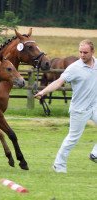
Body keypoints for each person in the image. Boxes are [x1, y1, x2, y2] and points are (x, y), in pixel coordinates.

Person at [35, 39, 97, 173]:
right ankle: (59, 165)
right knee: (73, 139)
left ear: (92, 52)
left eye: (85, 52)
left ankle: (95, 154)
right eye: (80, 52)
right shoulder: (74, 68)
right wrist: (43, 91)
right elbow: (58, 82)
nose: (82, 55)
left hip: (95, 106)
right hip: (79, 109)